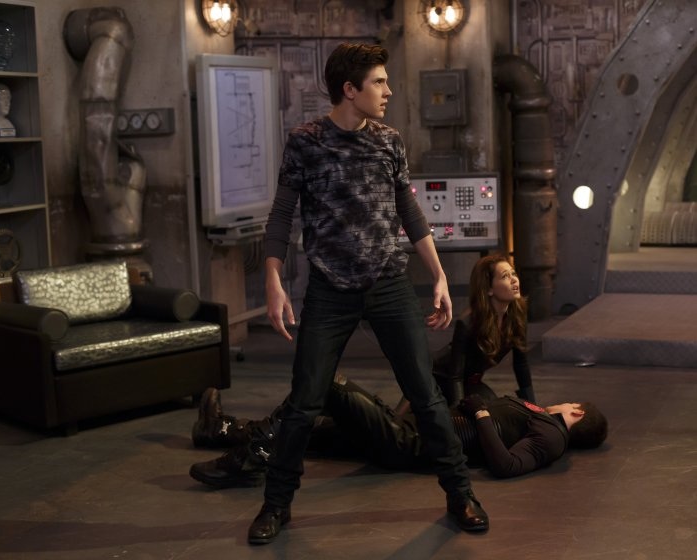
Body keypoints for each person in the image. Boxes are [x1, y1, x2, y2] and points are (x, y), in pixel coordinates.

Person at [249, 41, 487, 545]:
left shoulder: (389, 141)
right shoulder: (306, 142)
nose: (388, 90)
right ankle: (276, 504)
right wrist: (273, 280)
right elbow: (282, 216)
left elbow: (409, 211)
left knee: (426, 397)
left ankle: (460, 494)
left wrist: (439, 275)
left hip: (389, 283)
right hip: (328, 289)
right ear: (349, 89)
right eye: (378, 82)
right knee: (304, 404)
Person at [188, 379, 608, 486]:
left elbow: (507, 465)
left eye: (569, 402)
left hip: (411, 445)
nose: (562, 402)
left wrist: (481, 413)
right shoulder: (539, 417)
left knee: (329, 384)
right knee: (312, 430)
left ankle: (247, 460)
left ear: (576, 412)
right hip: (408, 428)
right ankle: (220, 430)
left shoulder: (553, 436)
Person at [432, 253, 536, 406]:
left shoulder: (517, 316)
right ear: (489, 289)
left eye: (513, 273)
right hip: (438, 377)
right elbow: (455, 376)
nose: (514, 279)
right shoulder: (467, 322)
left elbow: (521, 364)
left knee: (493, 408)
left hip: (470, 381)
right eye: (505, 276)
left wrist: (533, 408)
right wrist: (461, 411)